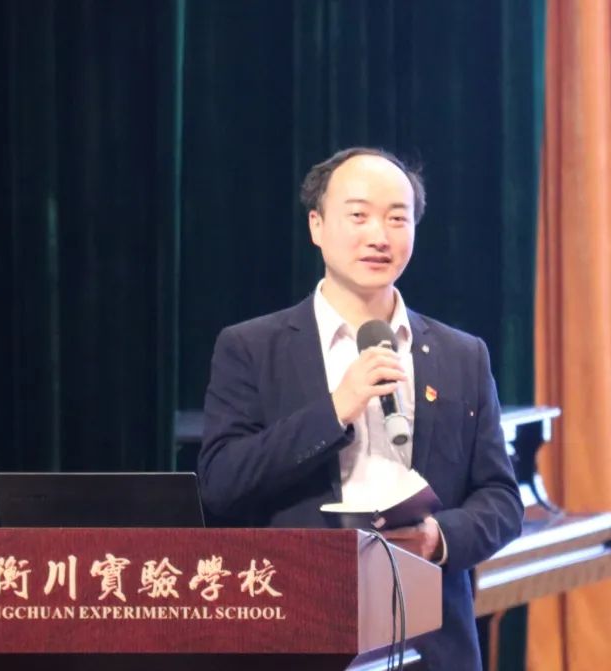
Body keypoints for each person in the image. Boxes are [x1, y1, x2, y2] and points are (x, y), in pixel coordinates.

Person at [198, 147, 523, 670]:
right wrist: (336, 409)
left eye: (397, 218)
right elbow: (221, 484)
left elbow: (502, 498)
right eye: (358, 215)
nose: (379, 236)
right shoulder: (252, 348)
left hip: (430, 641)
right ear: (316, 225)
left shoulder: (463, 355)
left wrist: (438, 538)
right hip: (297, 633)